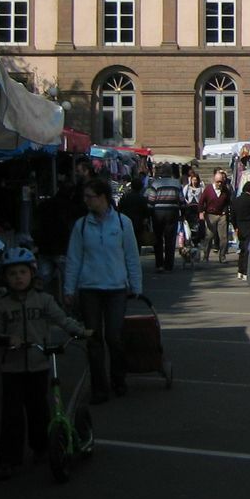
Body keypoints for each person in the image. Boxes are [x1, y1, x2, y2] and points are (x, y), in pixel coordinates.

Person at [0, 248, 88, 480]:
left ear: (32, 274)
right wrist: (7, 339)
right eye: (12, 274)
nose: (18, 278)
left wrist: (81, 331)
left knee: (39, 409)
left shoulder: (43, 300)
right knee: (12, 414)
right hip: (12, 367)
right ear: (5, 277)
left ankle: (42, 447)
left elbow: (61, 319)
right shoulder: (2, 305)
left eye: (23, 272)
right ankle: (8, 459)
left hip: (38, 363)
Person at [64, 176, 142, 403]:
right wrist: (69, 289)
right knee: (94, 340)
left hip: (117, 288)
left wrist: (136, 286)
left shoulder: (121, 222)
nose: (87, 201)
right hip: (89, 288)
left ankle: (119, 379)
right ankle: (100, 387)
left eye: (91, 197)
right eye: (85, 197)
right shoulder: (81, 226)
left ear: (104, 197)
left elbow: (131, 256)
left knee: (114, 337)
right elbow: (74, 259)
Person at [145, 163, 185, 273]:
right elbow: (181, 200)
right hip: (172, 213)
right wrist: (183, 213)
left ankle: (159, 264)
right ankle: (169, 265)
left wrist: (148, 215)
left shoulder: (156, 183)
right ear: (171, 172)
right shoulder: (177, 183)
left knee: (158, 239)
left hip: (158, 213)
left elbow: (151, 201)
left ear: (161, 172)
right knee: (170, 239)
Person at [230, 179, 250, 282]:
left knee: (242, 248)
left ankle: (240, 270)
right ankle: (245, 271)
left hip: (239, 225)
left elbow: (232, 216)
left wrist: (235, 226)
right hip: (249, 225)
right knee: (248, 248)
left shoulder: (236, 200)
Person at [200, 169, 233, 263]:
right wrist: (201, 212)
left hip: (221, 215)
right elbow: (201, 201)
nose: (220, 184)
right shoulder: (208, 189)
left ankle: (222, 256)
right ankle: (205, 256)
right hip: (210, 214)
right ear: (215, 181)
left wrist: (225, 211)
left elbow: (228, 202)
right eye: (218, 182)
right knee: (209, 236)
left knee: (223, 237)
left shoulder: (225, 190)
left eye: (221, 182)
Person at [116, 176, 150, 258]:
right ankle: (136, 256)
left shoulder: (125, 197)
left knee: (126, 241)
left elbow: (119, 208)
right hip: (138, 223)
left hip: (126, 222)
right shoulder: (142, 198)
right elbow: (146, 211)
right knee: (137, 241)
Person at [181, 170, 205, 260]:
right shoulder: (187, 187)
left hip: (198, 209)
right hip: (189, 209)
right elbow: (183, 197)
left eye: (196, 180)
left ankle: (196, 241)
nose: (194, 181)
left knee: (198, 226)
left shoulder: (201, 188)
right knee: (189, 227)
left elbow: (203, 198)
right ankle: (190, 242)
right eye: (193, 180)